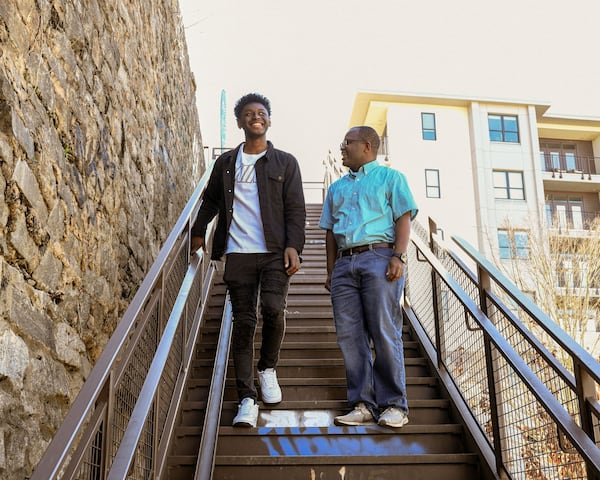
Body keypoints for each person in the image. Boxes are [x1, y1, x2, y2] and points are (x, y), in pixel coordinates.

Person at [190, 93, 306, 428]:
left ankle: (267, 367)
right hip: (238, 253)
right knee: (243, 324)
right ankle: (246, 398)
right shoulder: (226, 163)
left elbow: (296, 209)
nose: (256, 117)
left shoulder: (286, 162)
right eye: (249, 113)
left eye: (262, 113)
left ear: (269, 120)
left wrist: (293, 245)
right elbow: (211, 199)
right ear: (240, 121)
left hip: (273, 252)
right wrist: (199, 230)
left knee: (272, 309)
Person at [319, 126, 418, 428]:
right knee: (350, 336)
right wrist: (330, 270)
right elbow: (330, 232)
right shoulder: (336, 188)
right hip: (345, 265)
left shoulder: (391, 178)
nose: (342, 148)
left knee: (384, 331)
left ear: (366, 146)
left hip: (379, 257)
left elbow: (403, 217)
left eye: (346, 143)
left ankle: (394, 406)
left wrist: (398, 256)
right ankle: (362, 404)